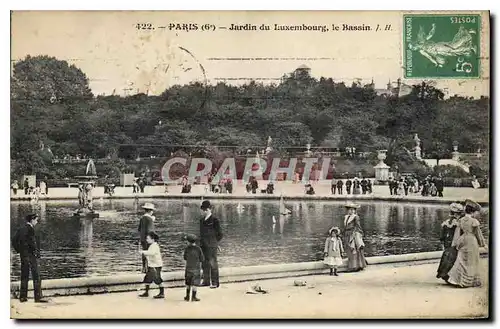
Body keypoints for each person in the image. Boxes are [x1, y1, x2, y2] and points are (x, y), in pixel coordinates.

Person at [446, 199, 486, 288]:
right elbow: (478, 234)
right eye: (476, 212)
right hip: (471, 240)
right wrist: (483, 244)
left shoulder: (461, 220)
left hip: (463, 239)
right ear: (473, 212)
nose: (477, 214)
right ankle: (470, 281)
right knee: (472, 260)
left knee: (461, 260)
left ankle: (458, 280)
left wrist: (455, 243)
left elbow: (457, 232)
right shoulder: (474, 221)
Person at [12, 214, 48, 303]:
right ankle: (38, 297)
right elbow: (33, 243)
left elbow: (13, 240)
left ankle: (23, 297)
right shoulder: (31, 229)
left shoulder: (21, 229)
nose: (37, 222)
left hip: (23, 256)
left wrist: (19, 250)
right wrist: (36, 253)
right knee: (36, 276)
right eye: (36, 220)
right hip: (31, 256)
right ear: (32, 220)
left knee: (24, 276)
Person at [436, 203, 463, 281]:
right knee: (453, 258)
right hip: (454, 242)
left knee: (447, 257)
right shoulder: (458, 223)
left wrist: (442, 241)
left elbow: (442, 235)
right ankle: (449, 275)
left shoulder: (446, 222)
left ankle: (444, 273)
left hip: (447, 242)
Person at [199, 200, 223, 288]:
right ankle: (206, 281)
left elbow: (220, 234)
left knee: (213, 264)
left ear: (208, 210)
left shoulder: (215, 220)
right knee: (204, 264)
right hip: (203, 245)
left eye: (204, 210)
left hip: (211, 246)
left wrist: (215, 243)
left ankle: (215, 282)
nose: (203, 212)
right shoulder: (201, 220)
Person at [138, 232, 165, 298]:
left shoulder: (154, 246)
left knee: (157, 279)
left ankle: (162, 293)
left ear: (152, 239)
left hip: (156, 266)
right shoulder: (152, 245)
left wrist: (143, 252)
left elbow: (151, 253)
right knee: (147, 278)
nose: (147, 240)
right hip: (152, 265)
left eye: (148, 238)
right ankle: (146, 292)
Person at [342, 203, 367, 272]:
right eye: (350, 210)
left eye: (353, 210)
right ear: (347, 210)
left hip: (353, 234)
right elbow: (345, 227)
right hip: (347, 234)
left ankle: (355, 266)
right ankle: (353, 265)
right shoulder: (346, 217)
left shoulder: (355, 217)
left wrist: (358, 234)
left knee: (354, 250)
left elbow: (358, 226)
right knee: (349, 250)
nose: (351, 211)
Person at [183, 234, 205, 302]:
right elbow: (202, 259)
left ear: (188, 241)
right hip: (196, 269)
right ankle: (193, 297)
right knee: (195, 283)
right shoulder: (198, 249)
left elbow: (185, 257)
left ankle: (187, 296)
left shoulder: (187, 248)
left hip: (188, 268)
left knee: (188, 283)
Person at [138, 203, 156, 273]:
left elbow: (139, 229)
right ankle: (149, 268)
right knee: (150, 253)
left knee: (144, 253)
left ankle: (144, 268)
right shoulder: (150, 219)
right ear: (150, 211)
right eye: (152, 211)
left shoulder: (142, 218)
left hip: (142, 239)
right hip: (148, 240)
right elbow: (150, 231)